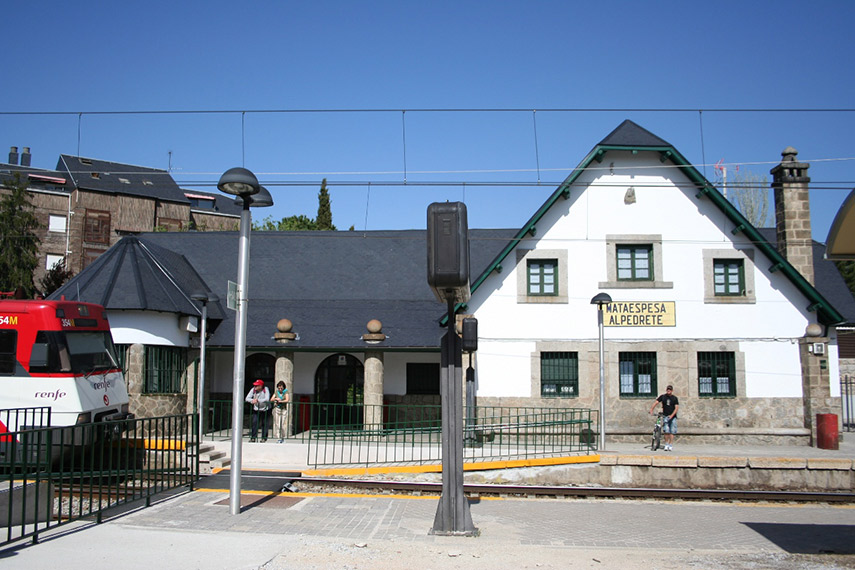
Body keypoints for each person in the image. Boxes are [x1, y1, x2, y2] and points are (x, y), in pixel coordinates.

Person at [649, 385, 679, 451]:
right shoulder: (663, 397)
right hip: (665, 416)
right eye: (668, 389)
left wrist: (671, 416)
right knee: (666, 431)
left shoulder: (674, 398)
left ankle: (670, 444)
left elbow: (676, 408)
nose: (669, 391)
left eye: (670, 390)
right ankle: (666, 444)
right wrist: (651, 409)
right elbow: (656, 402)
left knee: (672, 431)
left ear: (672, 391)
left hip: (672, 417)